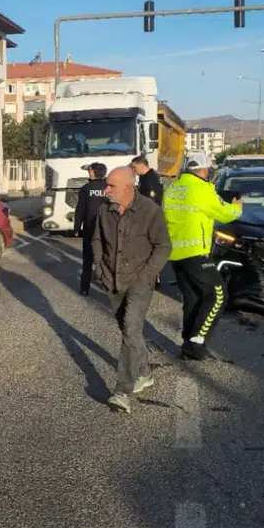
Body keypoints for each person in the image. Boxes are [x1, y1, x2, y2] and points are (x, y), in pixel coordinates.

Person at [92, 167, 170, 414]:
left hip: (139, 282)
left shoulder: (150, 211)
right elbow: (96, 239)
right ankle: (145, 372)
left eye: (111, 186)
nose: (106, 190)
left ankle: (122, 392)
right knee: (129, 330)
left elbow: (163, 246)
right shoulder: (105, 209)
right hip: (112, 280)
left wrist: (146, 275)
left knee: (130, 328)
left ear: (127, 188)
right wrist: (99, 268)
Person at [164, 152, 243, 360]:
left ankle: (188, 342)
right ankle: (196, 343)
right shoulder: (202, 189)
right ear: (205, 170)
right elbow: (225, 213)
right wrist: (237, 207)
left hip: (176, 252)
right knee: (218, 296)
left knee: (192, 298)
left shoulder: (173, 188)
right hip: (195, 252)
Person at [73, 163, 109, 296]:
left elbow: (80, 210)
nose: (89, 172)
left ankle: (84, 288)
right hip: (106, 229)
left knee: (87, 259)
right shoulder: (109, 188)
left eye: (90, 170)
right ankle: (107, 285)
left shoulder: (86, 189)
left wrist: (77, 228)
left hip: (89, 227)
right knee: (107, 257)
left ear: (93, 173)